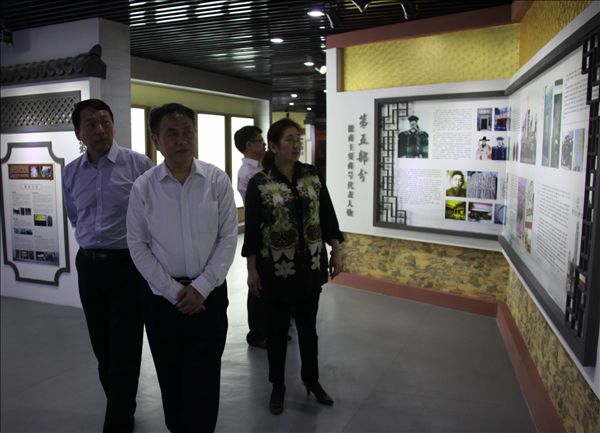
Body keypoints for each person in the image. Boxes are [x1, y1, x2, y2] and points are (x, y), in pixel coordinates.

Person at [126, 103, 238, 433]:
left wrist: (201, 287)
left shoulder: (216, 180)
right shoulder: (144, 187)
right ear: (156, 140)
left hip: (209, 298)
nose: (182, 139)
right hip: (163, 301)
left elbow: (228, 237)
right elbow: (137, 245)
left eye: (187, 131)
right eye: (172, 133)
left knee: (205, 377)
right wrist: (174, 291)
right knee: (170, 374)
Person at [62, 98, 153, 433]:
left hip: (126, 265)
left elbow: (151, 215)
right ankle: (121, 404)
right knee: (102, 345)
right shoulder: (71, 172)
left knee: (125, 345)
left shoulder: (138, 164)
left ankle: (117, 418)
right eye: (91, 123)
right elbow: (75, 215)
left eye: (105, 121)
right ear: (79, 133)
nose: (100, 129)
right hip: (89, 265)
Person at [242, 118, 343, 415]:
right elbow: (252, 230)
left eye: (298, 139)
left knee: (308, 330)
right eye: (289, 139)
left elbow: (327, 214)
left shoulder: (311, 175)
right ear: (273, 147)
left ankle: (312, 380)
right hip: (276, 269)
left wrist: (336, 250)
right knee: (276, 332)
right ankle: (278, 385)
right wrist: (251, 269)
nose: (296, 144)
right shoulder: (260, 183)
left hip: (310, 264)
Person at [234, 125, 268, 349]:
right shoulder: (248, 173)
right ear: (249, 145)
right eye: (259, 141)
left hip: (269, 232)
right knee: (257, 284)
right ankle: (257, 333)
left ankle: (270, 328)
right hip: (258, 231)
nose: (263, 144)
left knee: (268, 282)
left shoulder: (263, 166)